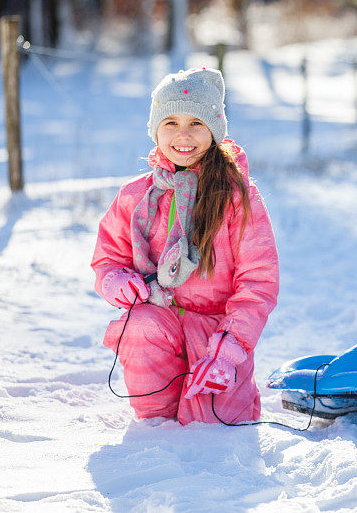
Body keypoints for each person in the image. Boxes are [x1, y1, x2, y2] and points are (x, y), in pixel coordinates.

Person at [92, 67, 279, 425]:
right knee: (141, 329)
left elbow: (259, 281)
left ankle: (226, 388)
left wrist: (230, 348)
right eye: (170, 123)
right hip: (159, 319)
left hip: (217, 329)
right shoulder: (136, 196)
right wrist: (116, 281)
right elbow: (108, 259)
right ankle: (154, 424)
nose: (183, 136)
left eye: (196, 123)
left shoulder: (237, 196)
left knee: (213, 424)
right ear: (155, 130)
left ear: (214, 129)